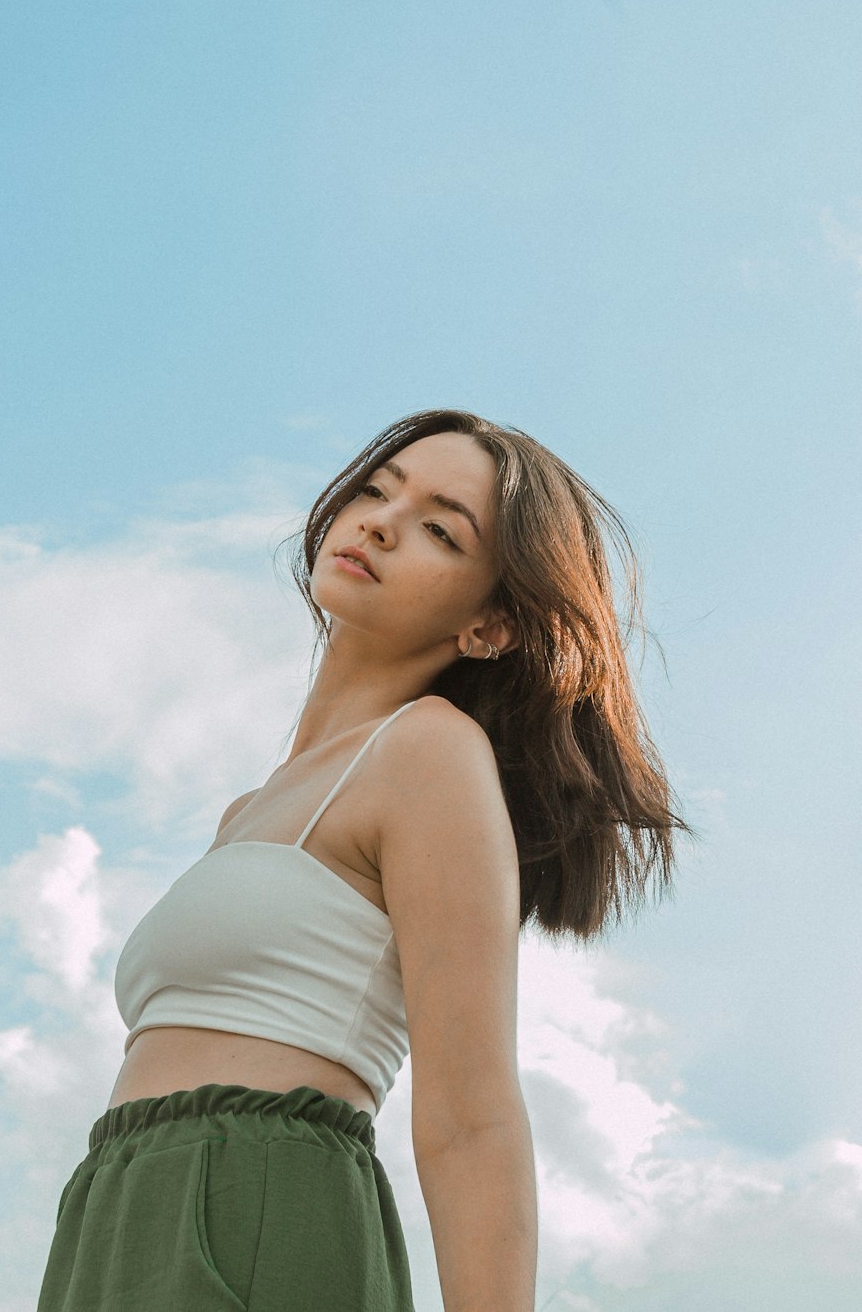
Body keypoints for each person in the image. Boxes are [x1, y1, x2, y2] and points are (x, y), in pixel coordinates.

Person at [36, 407, 692, 1312]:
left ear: (491, 625)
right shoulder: (248, 810)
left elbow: (473, 1118)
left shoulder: (428, 751)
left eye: (438, 529)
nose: (381, 520)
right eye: (377, 491)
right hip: (119, 1207)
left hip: (258, 1201)